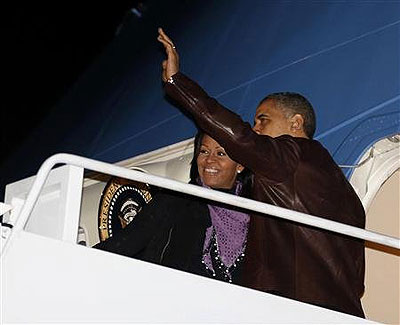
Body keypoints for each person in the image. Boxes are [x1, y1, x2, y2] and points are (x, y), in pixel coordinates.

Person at [158, 28, 365, 317]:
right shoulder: (348, 195)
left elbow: (239, 137)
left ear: (295, 123)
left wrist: (177, 82)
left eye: (263, 120)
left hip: (289, 309)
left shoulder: (289, 154)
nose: (256, 129)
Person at [94, 132, 252, 284]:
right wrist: (77, 259)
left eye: (220, 154)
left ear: (240, 165)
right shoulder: (174, 201)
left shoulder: (257, 215)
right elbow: (123, 244)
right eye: (204, 151)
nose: (209, 160)